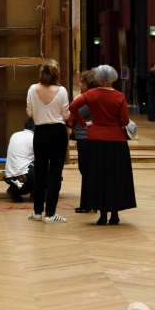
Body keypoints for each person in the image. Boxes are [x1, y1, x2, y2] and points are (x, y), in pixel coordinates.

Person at [69, 64, 136, 225]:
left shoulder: (91, 93)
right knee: (115, 177)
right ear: (113, 78)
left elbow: (73, 107)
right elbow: (124, 121)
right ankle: (115, 215)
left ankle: (102, 215)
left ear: (98, 78)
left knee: (98, 176)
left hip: (96, 139)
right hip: (117, 141)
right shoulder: (119, 96)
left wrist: (84, 124)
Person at [26, 58, 70, 223]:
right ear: (55, 73)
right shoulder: (62, 90)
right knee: (55, 173)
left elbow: (29, 113)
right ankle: (50, 214)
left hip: (40, 132)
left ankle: (37, 212)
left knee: (40, 172)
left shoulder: (32, 89)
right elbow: (66, 115)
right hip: (58, 132)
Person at [73, 70, 99, 213]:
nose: (79, 84)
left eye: (81, 82)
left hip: (85, 137)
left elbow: (75, 113)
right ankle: (91, 202)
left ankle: (88, 203)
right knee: (87, 170)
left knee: (86, 170)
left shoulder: (88, 98)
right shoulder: (91, 97)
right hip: (85, 136)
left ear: (88, 84)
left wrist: (76, 100)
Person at [4, 118, 35, 202]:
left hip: (9, 177)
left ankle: (14, 190)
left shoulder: (15, 134)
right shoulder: (34, 137)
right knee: (48, 168)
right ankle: (37, 196)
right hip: (23, 176)